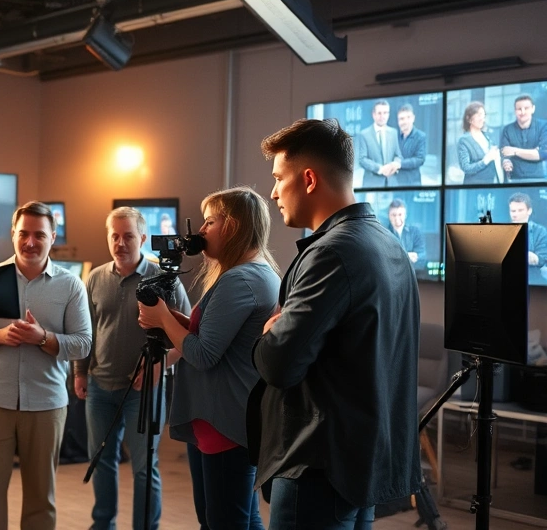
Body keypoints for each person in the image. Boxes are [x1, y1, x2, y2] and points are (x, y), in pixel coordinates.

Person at [255, 118, 422, 529]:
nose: (273, 193)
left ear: (309, 179)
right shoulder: (390, 245)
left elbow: (278, 364)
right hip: (362, 463)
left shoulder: (331, 253)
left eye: (278, 178)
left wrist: (270, 333)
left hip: (319, 466)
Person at [137, 187, 278, 530]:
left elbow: (203, 354)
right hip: (229, 414)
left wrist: (163, 319)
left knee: (223, 522)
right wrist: (177, 321)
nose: (200, 231)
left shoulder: (240, 280)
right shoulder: (257, 273)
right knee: (242, 517)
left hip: (224, 419)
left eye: (209, 221)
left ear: (233, 226)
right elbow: (219, 336)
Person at [0, 201, 92, 530]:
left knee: (41, 498)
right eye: (23, 234)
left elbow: (83, 343)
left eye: (39, 235)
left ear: (53, 237)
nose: (30, 242)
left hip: (47, 404)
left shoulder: (70, 285)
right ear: (13, 234)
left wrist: (43, 338)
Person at [75, 207, 191, 530]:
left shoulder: (163, 279)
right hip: (100, 387)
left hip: (144, 391)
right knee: (102, 462)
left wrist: (159, 366)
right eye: (114, 236)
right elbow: (88, 331)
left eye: (128, 236)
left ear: (142, 238)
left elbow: (188, 336)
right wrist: (80, 372)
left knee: (144, 467)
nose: (120, 243)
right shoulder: (95, 278)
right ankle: (103, 524)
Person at [356, 100, 402, 188]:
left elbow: (398, 155)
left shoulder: (393, 132)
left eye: (385, 113)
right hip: (372, 184)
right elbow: (362, 159)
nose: (382, 116)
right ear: (374, 114)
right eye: (379, 113)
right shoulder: (364, 134)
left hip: (391, 183)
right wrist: (381, 169)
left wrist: (394, 165)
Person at [501, 95, 547, 181]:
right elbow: (505, 153)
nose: (522, 112)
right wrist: (506, 162)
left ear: (533, 109)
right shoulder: (507, 129)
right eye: (519, 109)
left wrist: (514, 151)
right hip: (515, 179)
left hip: (539, 179)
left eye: (526, 108)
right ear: (515, 111)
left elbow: (543, 154)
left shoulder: (543, 126)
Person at [457, 101, 503, 185]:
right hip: (474, 186)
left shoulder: (487, 136)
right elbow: (466, 168)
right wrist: (485, 160)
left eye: (483, 115)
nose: (482, 119)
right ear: (468, 118)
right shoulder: (463, 140)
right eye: (479, 115)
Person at [507, 192, 547, 284]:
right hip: (508, 278)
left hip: (532, 280)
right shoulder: (503, 231)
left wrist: (533, 258)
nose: (515, 214)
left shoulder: (540, 231)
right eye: (513, 211)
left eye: (520, 210)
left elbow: (543, 258)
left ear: (529, 211)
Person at [386, 199, 426, 269]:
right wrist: (406, 257)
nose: (397, 218)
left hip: (412, 272)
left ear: (405, 215)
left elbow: (422, 255)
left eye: (400, 214)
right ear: (389, 216)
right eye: (393, 215)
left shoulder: (415, 232)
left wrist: (416, 257)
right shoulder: (384, 233)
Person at [395, 104, 428, 186]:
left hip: (412, 183)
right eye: (401, 119)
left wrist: (400, 164)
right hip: (395, 183)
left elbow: (420, 159)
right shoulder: (394, 136)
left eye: (408, 117)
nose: (405, 122)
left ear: (413, 118)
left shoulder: (420, 136)